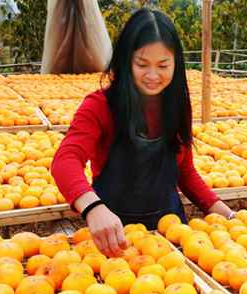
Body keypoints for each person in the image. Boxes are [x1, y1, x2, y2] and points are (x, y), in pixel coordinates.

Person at [51, 8, 234, 257]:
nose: (152, 75)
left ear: (176, 64)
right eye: (142, 64)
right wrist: (93, 208)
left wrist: (223, 211)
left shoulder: (176, 107)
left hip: (169, 236)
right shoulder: (100, 106)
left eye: (163, 65)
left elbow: (185, 171)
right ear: (126, 60)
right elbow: (66, 160)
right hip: (115, 239)